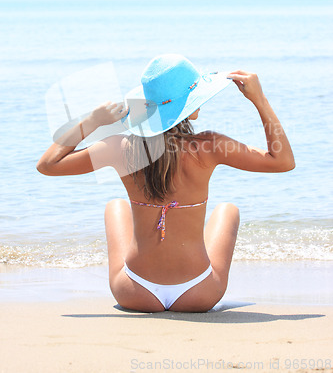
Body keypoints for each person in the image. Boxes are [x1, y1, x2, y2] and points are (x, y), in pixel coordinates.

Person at [37, 54, 295, 313]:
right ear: (186, 105)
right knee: (228, 209)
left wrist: (90, 122)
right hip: (200, 293)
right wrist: (259, 100)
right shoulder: (209, 146)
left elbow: (47, 165)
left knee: (115, 206)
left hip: (135, 292)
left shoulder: (121, 148)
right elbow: (282, 161)